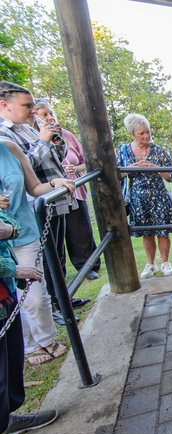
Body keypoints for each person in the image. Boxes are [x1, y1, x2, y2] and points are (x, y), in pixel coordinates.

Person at [0, 82, 80, 323]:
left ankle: (60, 299)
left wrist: (54, 139)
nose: (33, 110)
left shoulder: (30, 129)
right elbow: (28, 167)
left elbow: (56, 158)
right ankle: (52, 309)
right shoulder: (6, 136)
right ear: (4, 105)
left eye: (34, 105)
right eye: (27, 105)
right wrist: (43, 141)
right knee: (43, 262)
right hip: (28, 209)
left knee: (57, 255)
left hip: (50, 198)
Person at [1, 140, 74, 365]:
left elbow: (34, 188)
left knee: (33, 292)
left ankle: (46, 339)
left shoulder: (9, 148)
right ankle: (28, 345)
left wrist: (54, 182)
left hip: (23, 231)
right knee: (9, 298)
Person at [0, 208, 59, 434]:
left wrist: (9, 230)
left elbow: (9, 223)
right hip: (7, 275)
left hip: (4, 294)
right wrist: (12, 268)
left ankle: (4, 421)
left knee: (8, 362)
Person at [34, 100, 100, 281]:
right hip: (50, 193)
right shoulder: (34, 140)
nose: (49, 118)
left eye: (50, 113)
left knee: (80, 230)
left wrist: (76, 169)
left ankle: (87, 266)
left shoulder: (67, 136)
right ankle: (58, 280)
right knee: (56, 238)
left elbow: (84, 161)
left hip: (74, 189)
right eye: (44, 115)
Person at [116, 113, 172, 279]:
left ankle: (165, 262)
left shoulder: (159, 151)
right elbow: (115, 175)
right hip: (138, 198)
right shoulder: (123, 151)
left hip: (159, 196)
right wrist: (131, 168)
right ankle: (151, 264)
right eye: (141, 133)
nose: (146, 136)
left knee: (162, 231)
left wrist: (154, 166)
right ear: (132, 134)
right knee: (147, 233)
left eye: (148, 132)